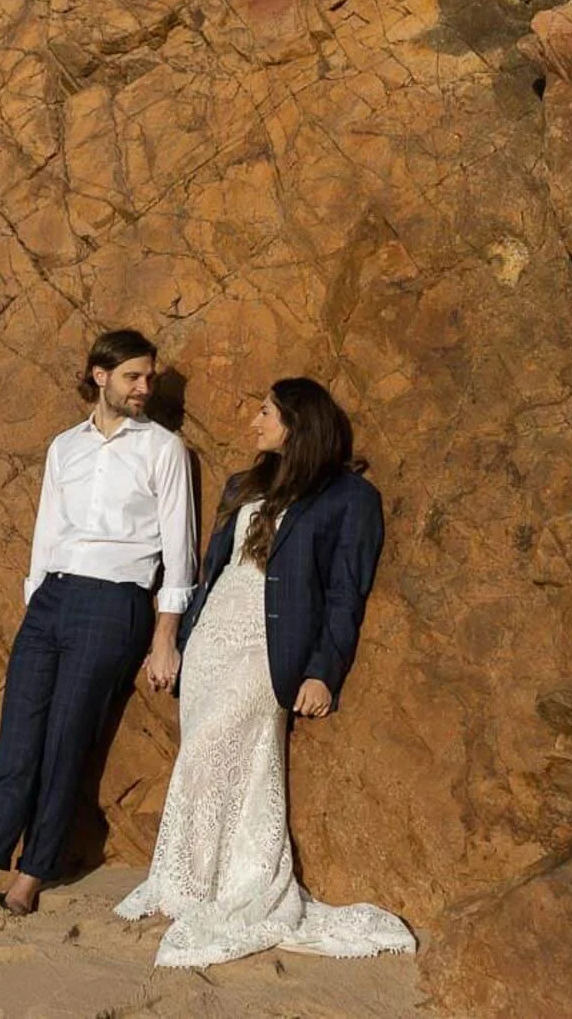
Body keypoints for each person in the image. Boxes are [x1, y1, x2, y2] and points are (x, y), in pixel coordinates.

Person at [114, 377, 416, 966]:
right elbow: (214, 569)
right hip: (212, 640)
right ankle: (189, 884)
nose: (253, 422)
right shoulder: (245, 482)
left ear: (297, 422)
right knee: (215, 760)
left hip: (267, 647)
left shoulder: (350, 498)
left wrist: (322, 671)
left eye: (265, 412)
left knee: (210, 750)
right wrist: (180, 639)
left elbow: (345, 594)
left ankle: (215, 888)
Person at [0, 329, 196, 924]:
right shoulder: (65, 447)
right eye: (133, 376)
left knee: (66, 742)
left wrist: (165, 635)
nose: (144, 388)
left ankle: (33, 869)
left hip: (116, 603)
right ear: (99, 376)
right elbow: (46, 531)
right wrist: (38, 598)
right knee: (18, 742)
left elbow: (179, 548)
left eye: (149, 378)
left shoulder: (164, 450)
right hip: (52, 600)